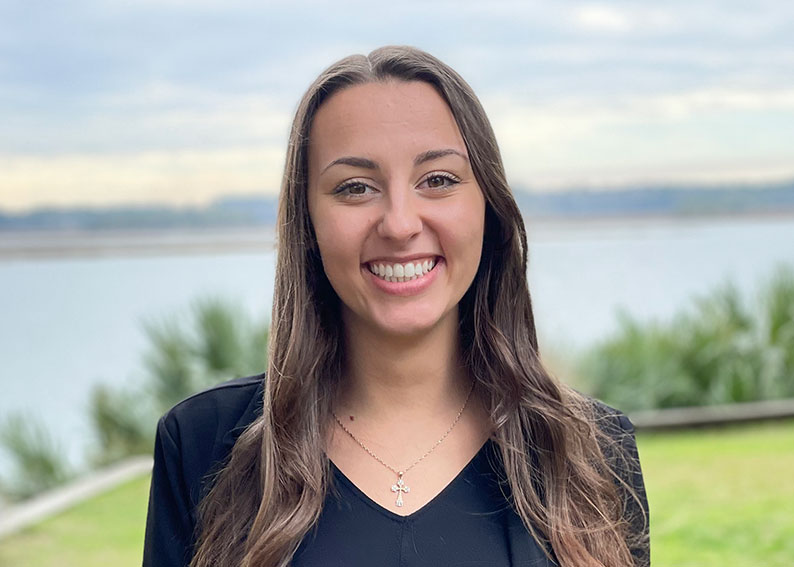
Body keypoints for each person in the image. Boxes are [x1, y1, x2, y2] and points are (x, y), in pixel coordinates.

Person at [143, 45, 649, 567]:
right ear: (308, 224)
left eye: (438, 180)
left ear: (489, 208)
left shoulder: (591, 453)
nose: (401, 223)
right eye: (356, 187)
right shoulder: (203, 445)